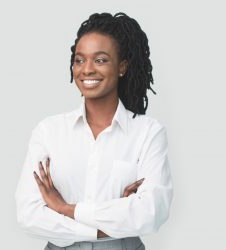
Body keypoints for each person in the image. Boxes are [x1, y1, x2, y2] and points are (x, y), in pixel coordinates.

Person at [15, 12, 173, 250]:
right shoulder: (49, 131)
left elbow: (150, 213)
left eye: (100, 60)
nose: (87, 69)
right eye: (79, 60)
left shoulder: (148, 133)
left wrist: (66, 209)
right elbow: (28, 214)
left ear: (122, 66)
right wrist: (109, 222)